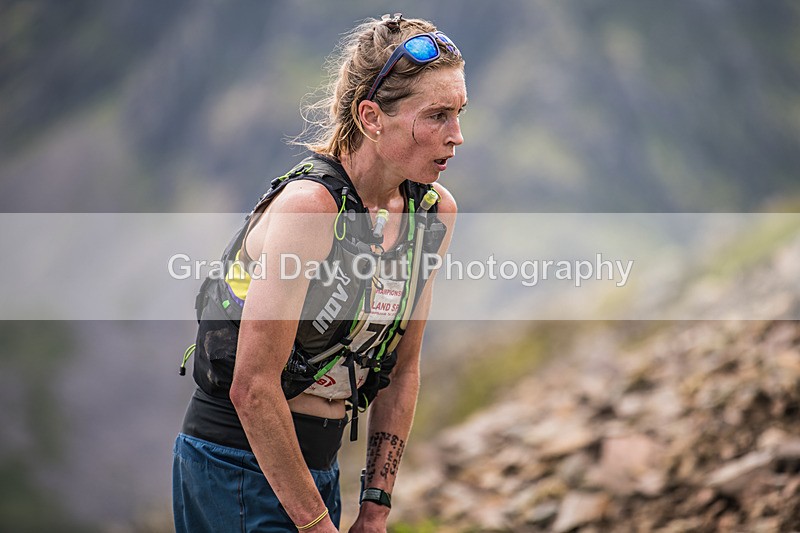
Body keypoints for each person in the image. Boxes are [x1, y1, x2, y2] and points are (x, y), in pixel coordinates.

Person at [173, 12, 466, 532]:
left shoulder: (432, 214)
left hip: (317, 472)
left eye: (460, 113)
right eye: (437, 115)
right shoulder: (311, 208)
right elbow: (253, 386)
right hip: (234, 466)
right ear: (372, 117)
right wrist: (316, 526)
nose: (457, 136)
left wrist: (375, 508)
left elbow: (403, 372)